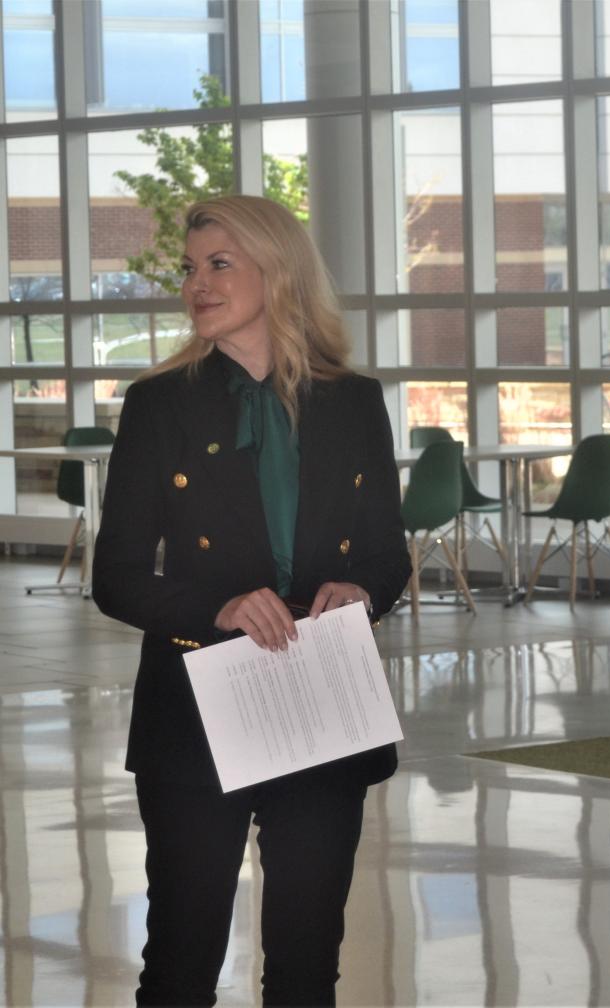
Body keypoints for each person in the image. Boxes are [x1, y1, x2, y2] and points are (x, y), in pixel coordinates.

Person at [93, 194, 412, 1006]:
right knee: (181, 963)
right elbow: (117, 575)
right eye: (191, 270)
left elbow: (387, 553)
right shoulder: (158, 405)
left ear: (278, 274)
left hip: (318, 700)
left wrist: (361, 590)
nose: (196, 284)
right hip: (197, 705)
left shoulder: (354, 401)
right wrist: (221, 609)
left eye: (219, 265)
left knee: (308, 965)